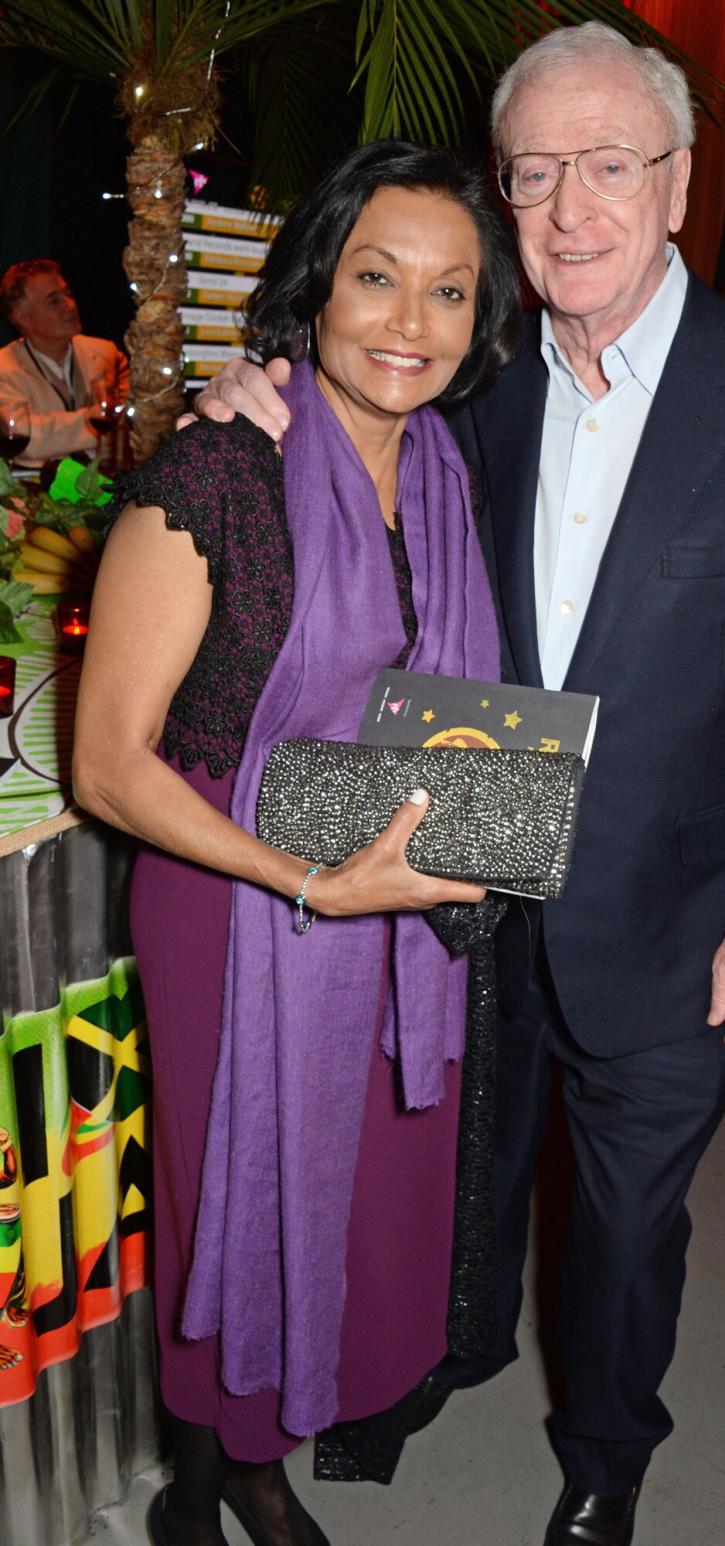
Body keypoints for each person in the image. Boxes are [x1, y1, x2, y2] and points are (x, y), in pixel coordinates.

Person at [194, 24, 725, 1546]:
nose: (574, 209)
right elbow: (357, 419)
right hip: (484, 867)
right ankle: (457, 1345)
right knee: (473, 1163)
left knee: (630, 1221)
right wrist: (251, 403)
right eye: (537, 173)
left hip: (684, 904)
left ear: (682, 179)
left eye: (613, 165)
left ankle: (609, 1452)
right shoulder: (484, 376)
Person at [72, 140, 520, 1546]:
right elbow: (103, 765)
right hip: (236, 907)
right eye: (377, 277)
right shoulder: (215, 469)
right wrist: (314, 882)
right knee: (241, 1203)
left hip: (393, 904)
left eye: (449, 292)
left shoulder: (447, 471)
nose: (409, 321)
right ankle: (215, 1482)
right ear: (317, 284)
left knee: (356, 1206)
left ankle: (264, 1452)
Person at [0, 259, 129, 465]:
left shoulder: (106, 353)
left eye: (67, 294)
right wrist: (92, 420)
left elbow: (132, 418)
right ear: (22, 317)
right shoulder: (3, 367)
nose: (70, 305)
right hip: (33, 492)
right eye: (54, 301)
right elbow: (26, 439)